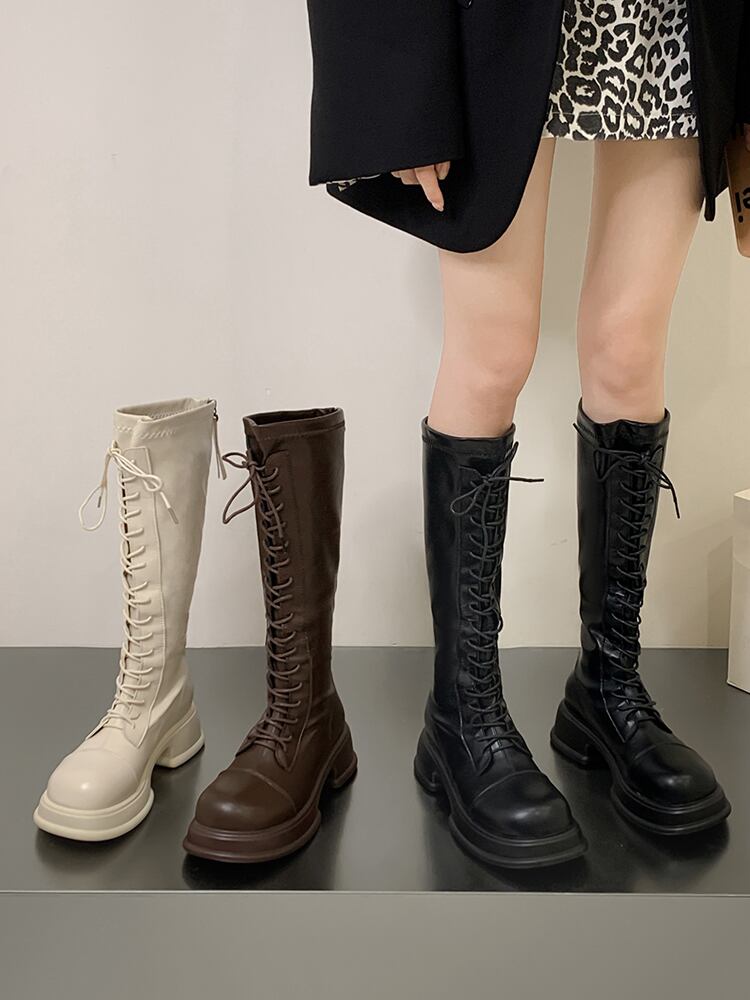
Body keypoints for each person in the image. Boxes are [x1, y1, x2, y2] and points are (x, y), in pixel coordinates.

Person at [305, 1, 747, 867]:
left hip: (666, 17)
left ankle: (606, 689)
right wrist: (405, 90)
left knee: (629, 351)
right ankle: (461, 714)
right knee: (494, 354)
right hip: (490, 19)